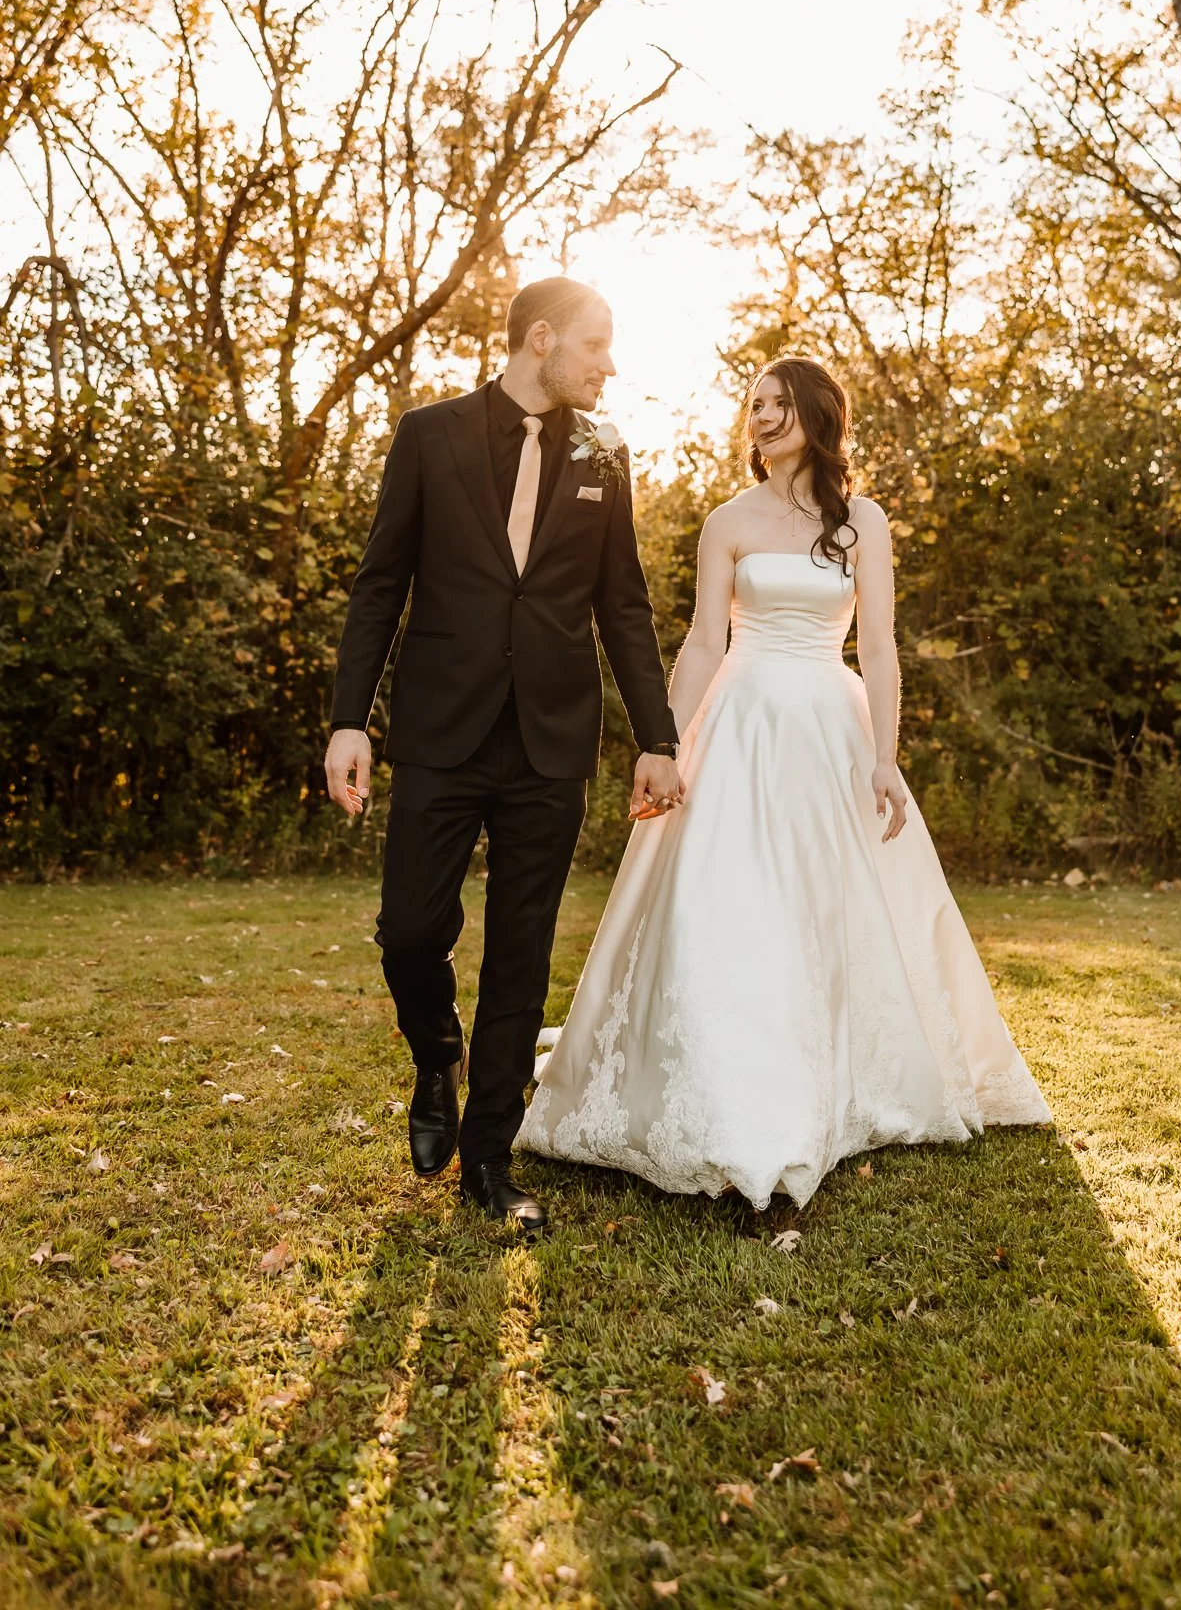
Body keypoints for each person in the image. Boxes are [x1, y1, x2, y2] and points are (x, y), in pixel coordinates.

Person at [519, 356, 1051, 1207]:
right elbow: (701, 645)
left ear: (814, 414)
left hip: (827, 728)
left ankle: (827, 1071)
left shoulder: (860, 522)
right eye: (753, 404)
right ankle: (724, 1080)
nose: (761, 416)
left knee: (825, 902)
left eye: (776, 403)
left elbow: (876, 646)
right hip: (736, 724)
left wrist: (884, 754)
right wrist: (664, 742)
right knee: (723, 897)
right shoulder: (726, 519)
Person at [325, 278, 680, 1238]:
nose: (609, 365)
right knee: (408, 930)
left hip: (549, 742)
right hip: (442, 729)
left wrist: (657, 737)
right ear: (540, 339)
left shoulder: (606, 452)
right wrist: (348, 719)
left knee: (520, 954)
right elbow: (380, 584)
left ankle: (488, 1155)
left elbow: (623, 604)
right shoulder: (429, 436)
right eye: (596, 346)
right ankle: (432, 1054)